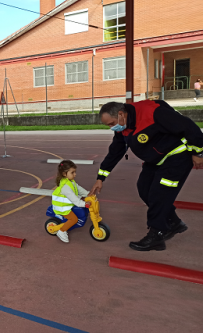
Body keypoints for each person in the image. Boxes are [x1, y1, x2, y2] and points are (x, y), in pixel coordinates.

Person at [90, 100, 203, 251]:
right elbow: (115, 151)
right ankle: (174, 222)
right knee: (144, 189)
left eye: (111, 124)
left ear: (121, 114)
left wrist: (198, 152)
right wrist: (100, 177)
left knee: (159, 193)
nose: (112, 128)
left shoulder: (152, 113)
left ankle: (157, 234)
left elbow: (188, 126)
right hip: (156, 159)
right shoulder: (123, 127)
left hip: (177, 156)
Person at [52, 160, 90, 243]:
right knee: (74, 220)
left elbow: (78, 188)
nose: (75, 174)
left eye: (75, 172)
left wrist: (88, 194)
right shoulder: (65, 187)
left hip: (67, 205)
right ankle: (61, 231)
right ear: (64, 174)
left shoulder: (70, 182)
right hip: (62, 207)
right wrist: (84, 204)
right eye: (72, 172)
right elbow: (74, 199)